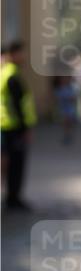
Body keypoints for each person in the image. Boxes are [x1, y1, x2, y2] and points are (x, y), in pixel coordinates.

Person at [1, 40, 36, 210]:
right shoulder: (12, 75)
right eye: (22, 53)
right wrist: (25, 128)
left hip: (8, 126)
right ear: (13, 54)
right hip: (13, 127)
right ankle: (13, 199)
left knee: (10, 163)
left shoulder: (6, 72)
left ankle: (12, 198)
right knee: (16, 165)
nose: (24, 57)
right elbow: (17, 104)